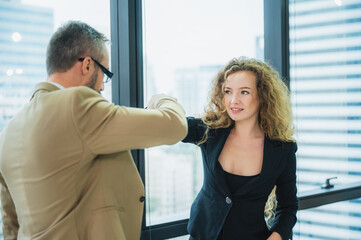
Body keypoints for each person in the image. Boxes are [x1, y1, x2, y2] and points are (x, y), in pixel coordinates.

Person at [0, 21, 187, 240]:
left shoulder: (8, 132)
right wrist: (162, 99)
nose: (102, 86)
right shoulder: (76, 104)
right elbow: (174, 125)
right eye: (104, 73)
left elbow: (10, 225)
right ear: (87, 65)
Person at [182, 57, 298, 240]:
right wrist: (158, 104)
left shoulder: (282, 149)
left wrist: (275, 237)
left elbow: (288, 207)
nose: (233, 100)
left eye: (244, 92)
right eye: (228, 91)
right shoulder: (210, 131)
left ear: (263, 96)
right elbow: (172, 125)